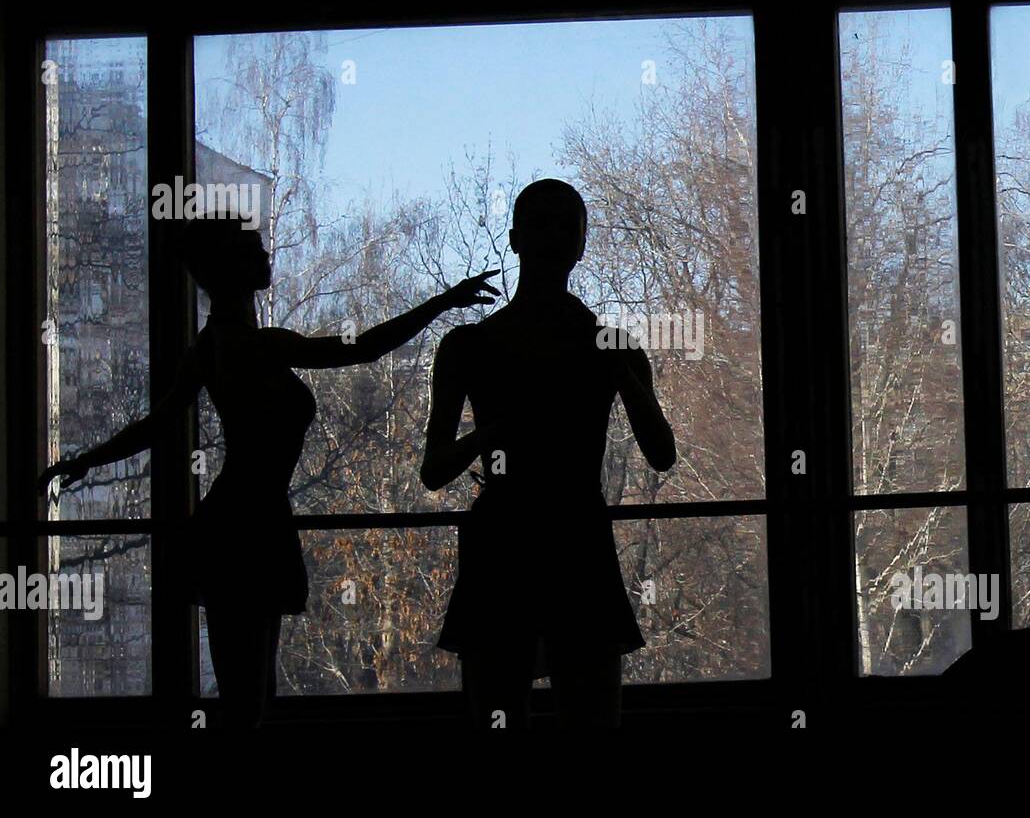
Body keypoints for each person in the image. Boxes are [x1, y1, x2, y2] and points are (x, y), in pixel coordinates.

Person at [38, 214, 500, 727]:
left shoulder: (215, 346)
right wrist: (441, 302)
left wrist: (83, 462)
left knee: (248, 693)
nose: (265, 257)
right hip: (248, 526)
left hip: (240, 521)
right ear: (231, 268)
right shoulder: (255, 345)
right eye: (253, 250)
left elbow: (157, 424)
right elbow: (362, 348)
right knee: (251, 695)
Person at [421, 179, 676, 729]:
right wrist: (614, 368)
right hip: (574, 535)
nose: (554, 236)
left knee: (505, 714)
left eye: (565, 225)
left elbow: (436, 471)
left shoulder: (471, 346)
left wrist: (493, 435)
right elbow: (661, 454)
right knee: (589, 720)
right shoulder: (605, 344)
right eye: (544, 223)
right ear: (516, 239)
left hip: (509, 537)